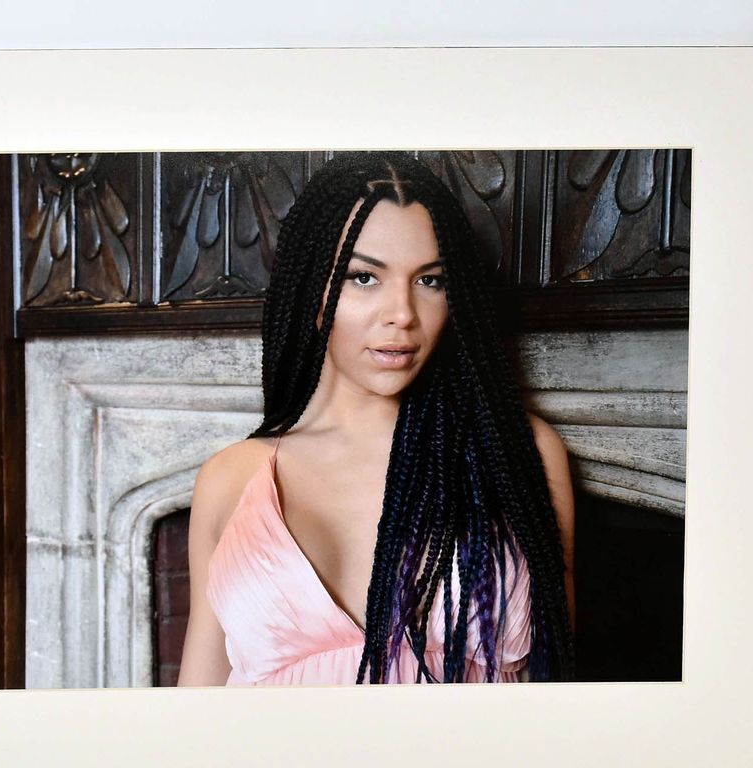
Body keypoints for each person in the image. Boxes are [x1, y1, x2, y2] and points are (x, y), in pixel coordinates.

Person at [177, 151, 575, 686]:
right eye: (365, 278)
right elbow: (197, 706)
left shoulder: (516, 452)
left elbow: (559, 680)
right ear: (314, 291)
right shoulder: (231, 477)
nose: (402, 315)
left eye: (430, 281)